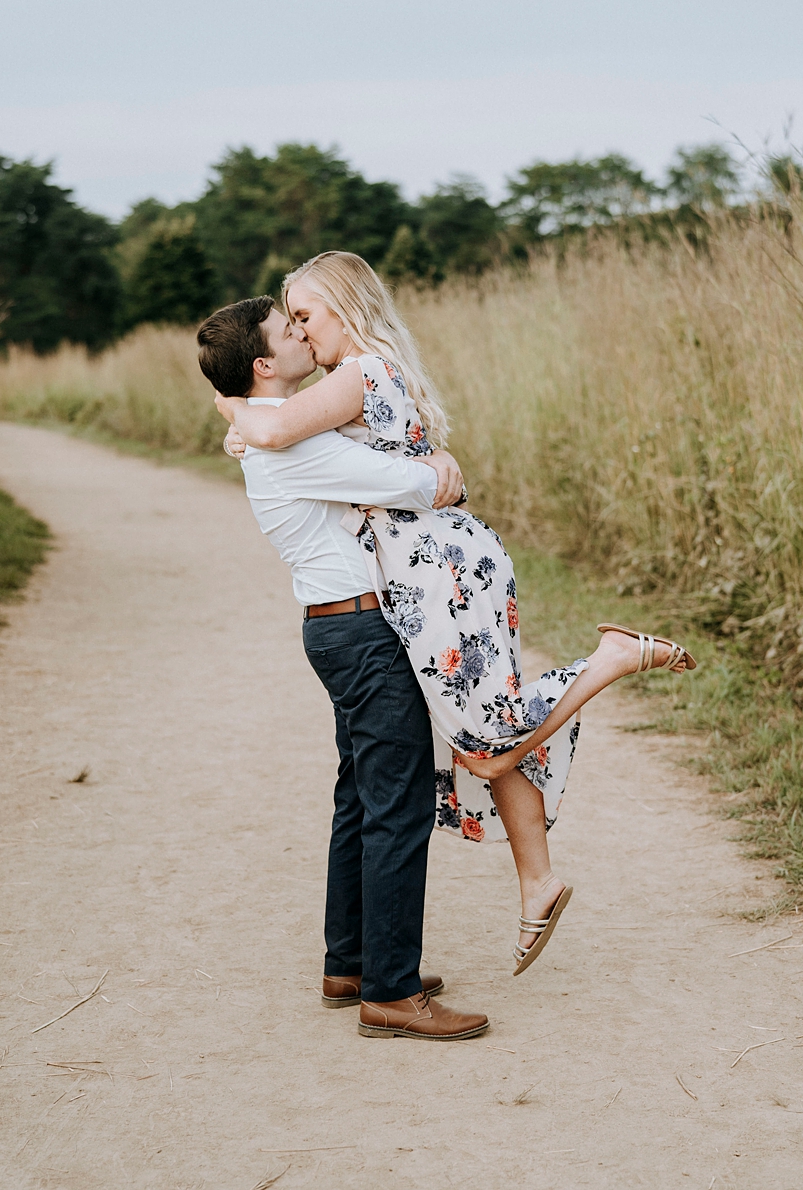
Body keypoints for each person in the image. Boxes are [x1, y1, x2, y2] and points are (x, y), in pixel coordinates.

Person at [216, 253, 696, 977]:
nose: (303, 335)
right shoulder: (365, 377)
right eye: (293, 324)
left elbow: (280, 433)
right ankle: (535, 883)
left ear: (346, 308)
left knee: (485, 736)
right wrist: (247, 422)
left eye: (306, 316)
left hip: (436, 575)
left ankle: (612, 660)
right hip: (438, 571)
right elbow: (289, 433)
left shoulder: (358, 374)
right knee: (482, 737)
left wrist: (232, 408)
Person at [197, 295, 490, 1041]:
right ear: (265, 365)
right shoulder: (295, 444)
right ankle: (390, 992)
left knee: (361, 798)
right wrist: (441, 467)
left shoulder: (278, 432)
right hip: (361, 634)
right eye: (286, 331)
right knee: (397, 806)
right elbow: (423, 487)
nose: (301, 333)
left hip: (339, 630)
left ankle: (352, 962)